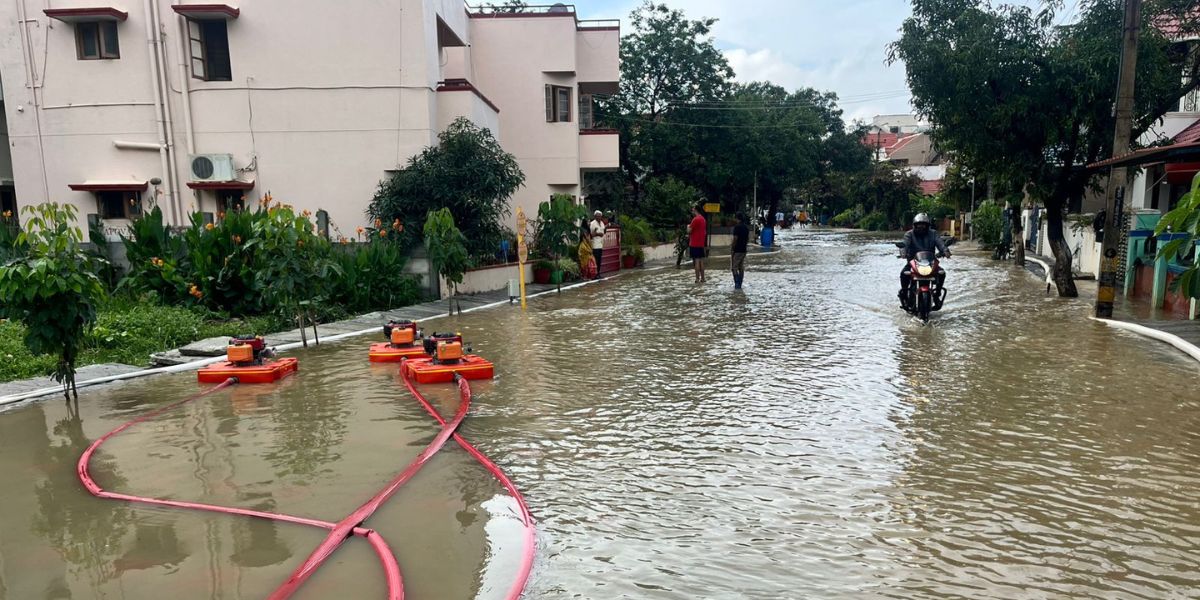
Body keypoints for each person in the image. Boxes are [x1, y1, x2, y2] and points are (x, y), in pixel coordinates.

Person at [899, 213, 951, 304]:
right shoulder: (909, 234)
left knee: (942, 273)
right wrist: (903, 252)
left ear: (927, 225)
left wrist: (945, 251)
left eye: (923, 224)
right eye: (919, 225)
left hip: (930, 262)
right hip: (913, 263)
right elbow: (905, 244)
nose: (921, 227)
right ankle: (904, 294)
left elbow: (940, 243)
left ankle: (937, 294)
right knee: (904, 274)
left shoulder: (933, 233)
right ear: (915, 225)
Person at [687, 203, 708, 283]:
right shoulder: (703, 219)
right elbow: (704, 232)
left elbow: (689, 231)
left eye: (693, 209)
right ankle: (703, 278)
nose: (692, 210)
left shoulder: (695, 219)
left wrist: (687, 226)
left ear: (696, 209)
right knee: (701, 261)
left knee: (696, 261)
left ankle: (697, 279)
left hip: (694, 243)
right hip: (701, 244)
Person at [731, 212, 750, 289]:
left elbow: (735, 239)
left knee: (734, 267)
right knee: (741, 267)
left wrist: (732, 248)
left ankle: (737, 284)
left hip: (737, 250)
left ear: (737, 218)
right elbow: (747, 239)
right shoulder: (746, 228)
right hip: (743, 250)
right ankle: (740, 282)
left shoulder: (737, 227)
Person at [589, 210, 606, 280]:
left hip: (601, 244)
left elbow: (604, 230)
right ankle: (595, 274)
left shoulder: (602, 223)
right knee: (596, 260)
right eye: (597, 216)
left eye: (600, 216)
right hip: (595, 245)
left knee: (599, 260)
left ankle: (598, 273)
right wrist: (598, 234)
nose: (599, 217)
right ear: (595, 216)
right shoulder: (592, 223)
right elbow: (591, 234)